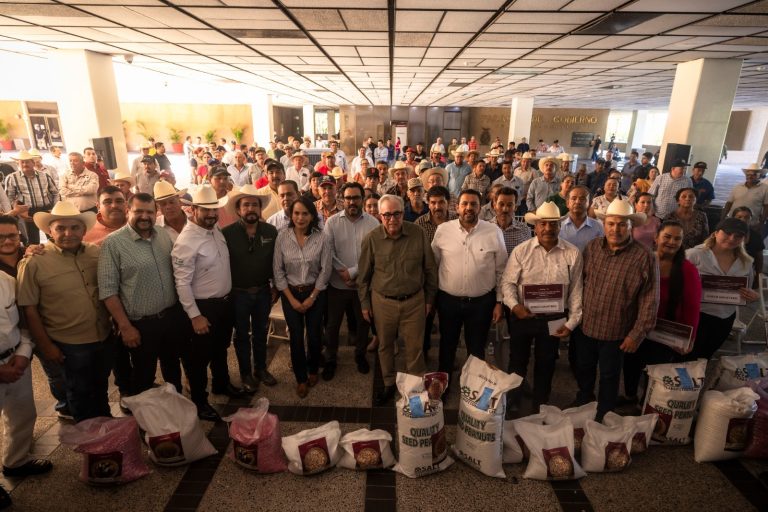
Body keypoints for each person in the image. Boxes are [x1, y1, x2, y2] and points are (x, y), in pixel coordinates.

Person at [17, 202, 112, 423]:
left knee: (101, 389)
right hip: (69, 344)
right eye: (60, 228)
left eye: (75, 227)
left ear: (84, 230)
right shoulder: (34, 262)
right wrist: (46, 346)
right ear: (49, 231)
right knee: (79, 395)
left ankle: (108, 438)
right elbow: (29, 309)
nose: (68, 233)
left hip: (103, 337)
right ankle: (90, 443)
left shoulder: (96, 253)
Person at [574, 199, 658, 420]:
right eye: (611, 224)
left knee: (610, 376)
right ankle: (584, 398)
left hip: (617, 331)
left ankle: (605, 412)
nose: (615, 229)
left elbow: (650, 299)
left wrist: (636, 334)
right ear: (604, 224)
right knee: (584, 367)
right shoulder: (592, 248)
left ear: (631, 226)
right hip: (587, 324)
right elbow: (580, 283)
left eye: (622, 225)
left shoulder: (644, 256)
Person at [99, 193, 186, 402]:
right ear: (128, 211)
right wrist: (125, 327)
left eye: (149, 211)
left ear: (156, 213)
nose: (145, 216)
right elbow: (108, 290)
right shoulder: (113, 243)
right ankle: (146, 425)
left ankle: (176, 411)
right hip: (140, 324)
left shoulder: (163, 235)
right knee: (144, 376)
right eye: (139, 211)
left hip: (170, 317)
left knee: (173, 368)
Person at [502, 201, 583, 414]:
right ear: (535, 227)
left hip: (555, 317)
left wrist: (572, 322)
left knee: (546, 362)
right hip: (522, 315)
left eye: (553, 224)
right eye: (543, 224)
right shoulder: (521, 251)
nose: (548, 228)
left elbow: (576, 290)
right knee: (517, 361)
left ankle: (541, 403)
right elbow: (508, 282)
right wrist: (514, 306)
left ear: (559, 226)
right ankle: (513, 400)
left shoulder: (572, 254)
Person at [358, 194, 438, 405]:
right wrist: (365, 304)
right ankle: (388, 383)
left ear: (403, 213)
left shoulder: (418, 233)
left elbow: (430, 269)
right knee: (385, 345)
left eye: (396, 214)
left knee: (415, 347)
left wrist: (429, 300)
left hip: (414, 302)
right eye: (387, 215)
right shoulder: (371, 239)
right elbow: (364, 276)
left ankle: (416, 387)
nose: (392, 219)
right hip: (383, 303)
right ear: (380, 215)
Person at [172, 185, 240, 421]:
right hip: (202, 308)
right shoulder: (186, 241)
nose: (212, 214)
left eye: (214, 210)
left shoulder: (215, 230)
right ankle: (200, 402)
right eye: (206, 210)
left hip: (223, 305)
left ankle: (222, 384)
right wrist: (195, 315)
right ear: (193, 210)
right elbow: (182, 283)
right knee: (197, 359)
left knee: (220, 349)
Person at [621, 220, 702, 409]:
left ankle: (646, 404)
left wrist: (689, 338)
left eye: (677, 238)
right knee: (631, 363)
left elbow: (692, 306)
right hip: (638, 326)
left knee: (655, 369)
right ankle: (630, 395)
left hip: (665, 331)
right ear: (656, 238)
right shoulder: (644, 259)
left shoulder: (687, 270)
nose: (672, 242)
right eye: (667, 236)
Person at [432, 189, 507, 393]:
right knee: (447, 345)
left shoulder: (493, 232)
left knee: (476, 348)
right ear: (457, 207)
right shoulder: (443, 231)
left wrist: (499, 302)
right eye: (464, 204)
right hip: (448, 301)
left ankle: (472, 388)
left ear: (480, 207)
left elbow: (501, 270)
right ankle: (443, 386)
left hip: (482, 303)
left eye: (473, 204)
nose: (468, 208)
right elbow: (434, 264)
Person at [0, 250, 53, 504]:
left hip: (15, 361)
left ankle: (16, 461)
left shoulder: (7, 281)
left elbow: (23, 324)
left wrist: (22, 354)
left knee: (23, 414)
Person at [273, 196, 331, 398]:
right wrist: (291, 299)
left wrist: (312, 297)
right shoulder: (282, 237)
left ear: (312, 215)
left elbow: (325, 270)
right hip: (290, 292)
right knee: (296, 337)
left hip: (315, 292)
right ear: (291, 214)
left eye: (305, 213)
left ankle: (313, 369)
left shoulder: (322, 237)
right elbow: (278, 271)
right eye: (296, 213)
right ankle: (300, 378)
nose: (300, 217)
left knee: (315, 335)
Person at [222, 185, 278, 393]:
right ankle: (245, 372)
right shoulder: (226, 233)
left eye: (254, 204)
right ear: (238, 209)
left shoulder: (271, 231)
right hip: (238, 294)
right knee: (242, 336)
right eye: (246, 205)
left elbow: (275, 261)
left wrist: (275, 286)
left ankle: (260, 369)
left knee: (261, 332)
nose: (251, 209)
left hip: (263, 292)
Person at [324, 182, 380, 378]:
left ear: (362, 199)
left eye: (356, 198)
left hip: (362, 287)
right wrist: (343, 272)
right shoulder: (331, 222)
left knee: (363, 323)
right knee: (332, 326)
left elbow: (375, 255)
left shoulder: (373, 223)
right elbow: (327, 251)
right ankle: (331, 358)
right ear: (342, 200)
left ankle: (360, 355)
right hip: (337, 286)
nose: (352, 202)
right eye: (348, 198)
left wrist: (354, 273)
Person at [686, 218, 759, 361]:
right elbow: (676, 283)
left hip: (725, 318)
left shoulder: (746, 261)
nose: (732, 238)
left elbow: (746, 289)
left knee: (705, 356)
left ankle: (697, 381)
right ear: (715, 233)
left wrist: (752, 296)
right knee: (686, 356)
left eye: (738, 236)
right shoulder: (694, 255)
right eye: (728, 233)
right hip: (697, 315)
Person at [4, 150, 59, 245]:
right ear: (18, 163)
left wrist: (54, 208)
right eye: (22, 162)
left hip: (46, 210)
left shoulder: (45, 176)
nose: (25, 164)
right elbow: (9, 198)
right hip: (26, 213)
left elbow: (55, 193)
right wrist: (18, 212)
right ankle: (34, 260)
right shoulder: (12, 178)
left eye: (27, 161)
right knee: (32, 242)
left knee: (53, 238)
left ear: (33, 163)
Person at [722, 163, 768, 228]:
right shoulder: (738, 187)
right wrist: (722, 219)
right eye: (748, 174)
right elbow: (729, 203)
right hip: (733, 222)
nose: (750, 176)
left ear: (759, 175)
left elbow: (766, 207)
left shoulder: (765, 188)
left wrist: (761, 223)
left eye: (753, 174)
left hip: (751, 224)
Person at [559, 186, 604, 253]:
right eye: (574, 199)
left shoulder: (598, 227)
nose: (577, 202)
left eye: (582, 199)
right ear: (567, 203)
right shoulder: (558, 225)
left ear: (589, 203)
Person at [731, 206, 764, 281]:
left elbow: (759, 259)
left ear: (751, 219)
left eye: (747, 217)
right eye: (739, 217)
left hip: (747, 273)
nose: (743, 220)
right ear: (733, 218)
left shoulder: (756, 236)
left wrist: (758, 278)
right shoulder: (725, 234)